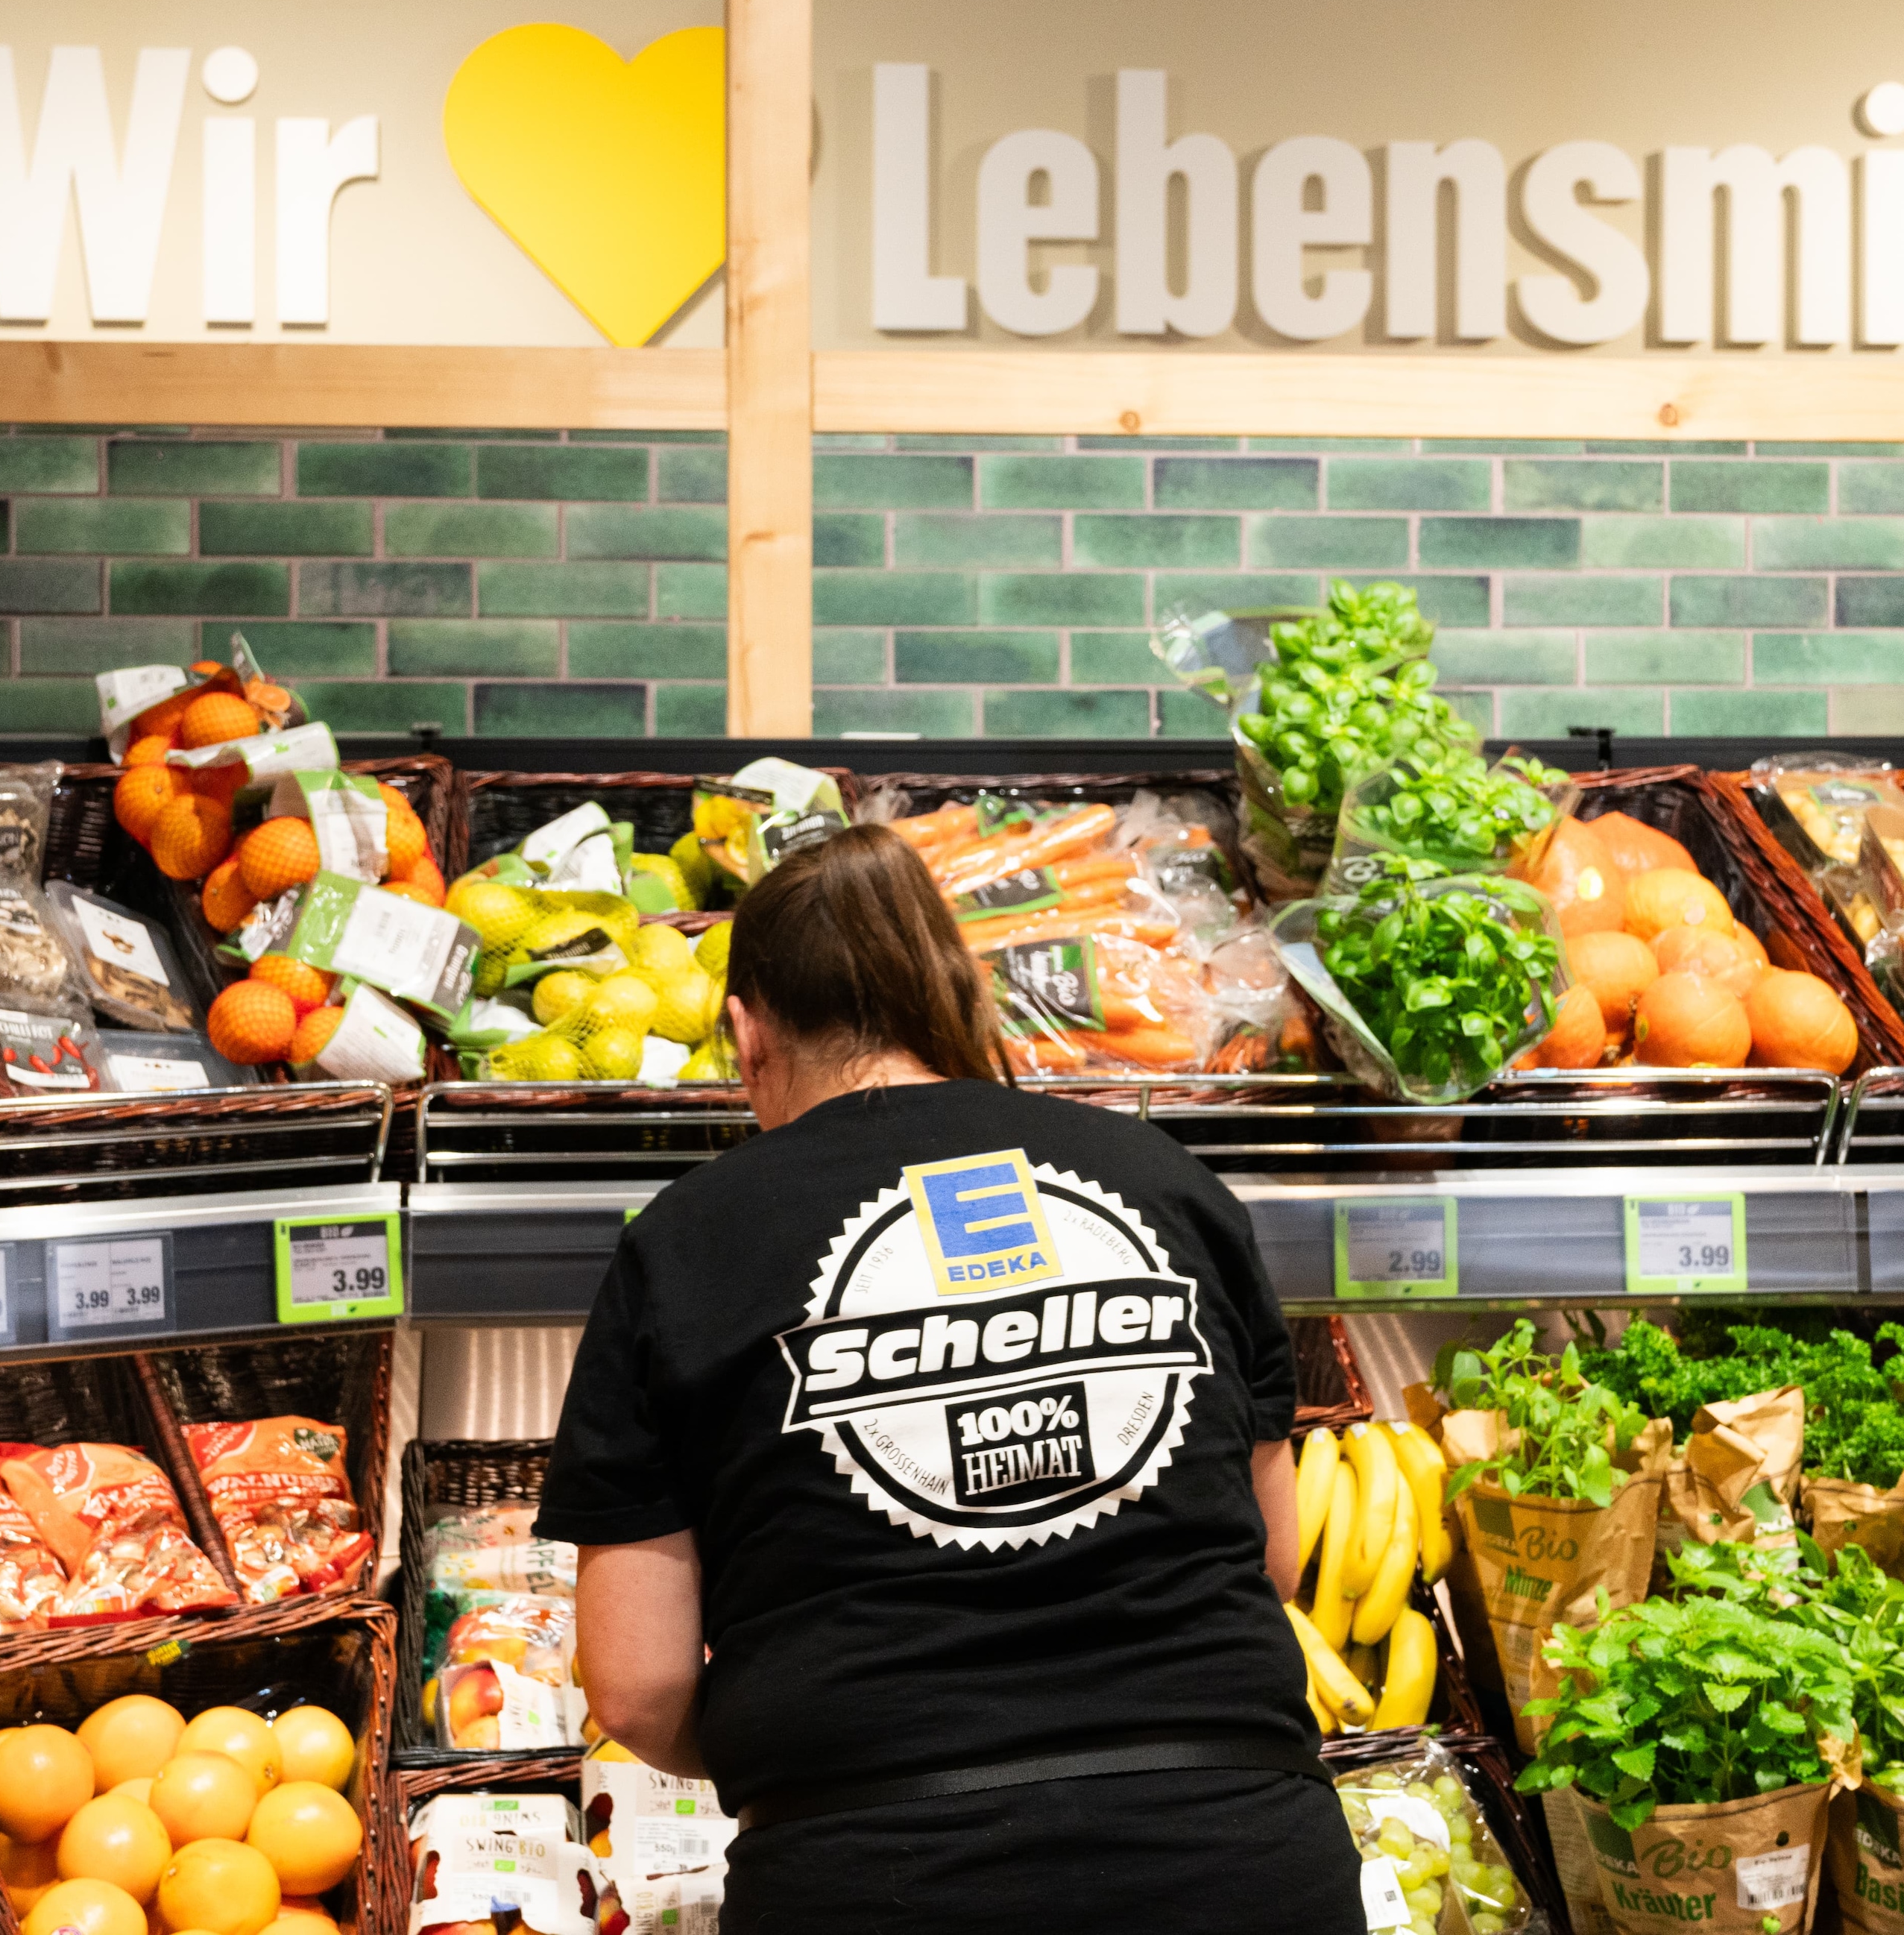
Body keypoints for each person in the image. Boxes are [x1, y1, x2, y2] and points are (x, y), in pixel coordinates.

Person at [535, 822, 1364, 1934]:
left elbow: (636, 1689)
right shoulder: (1163, 1179)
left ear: (747, 1035)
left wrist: (810, 1748)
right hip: (1246, 1858)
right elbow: (1269, 1558)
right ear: (957, 999)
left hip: (876, 1874)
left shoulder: (684, 1245)